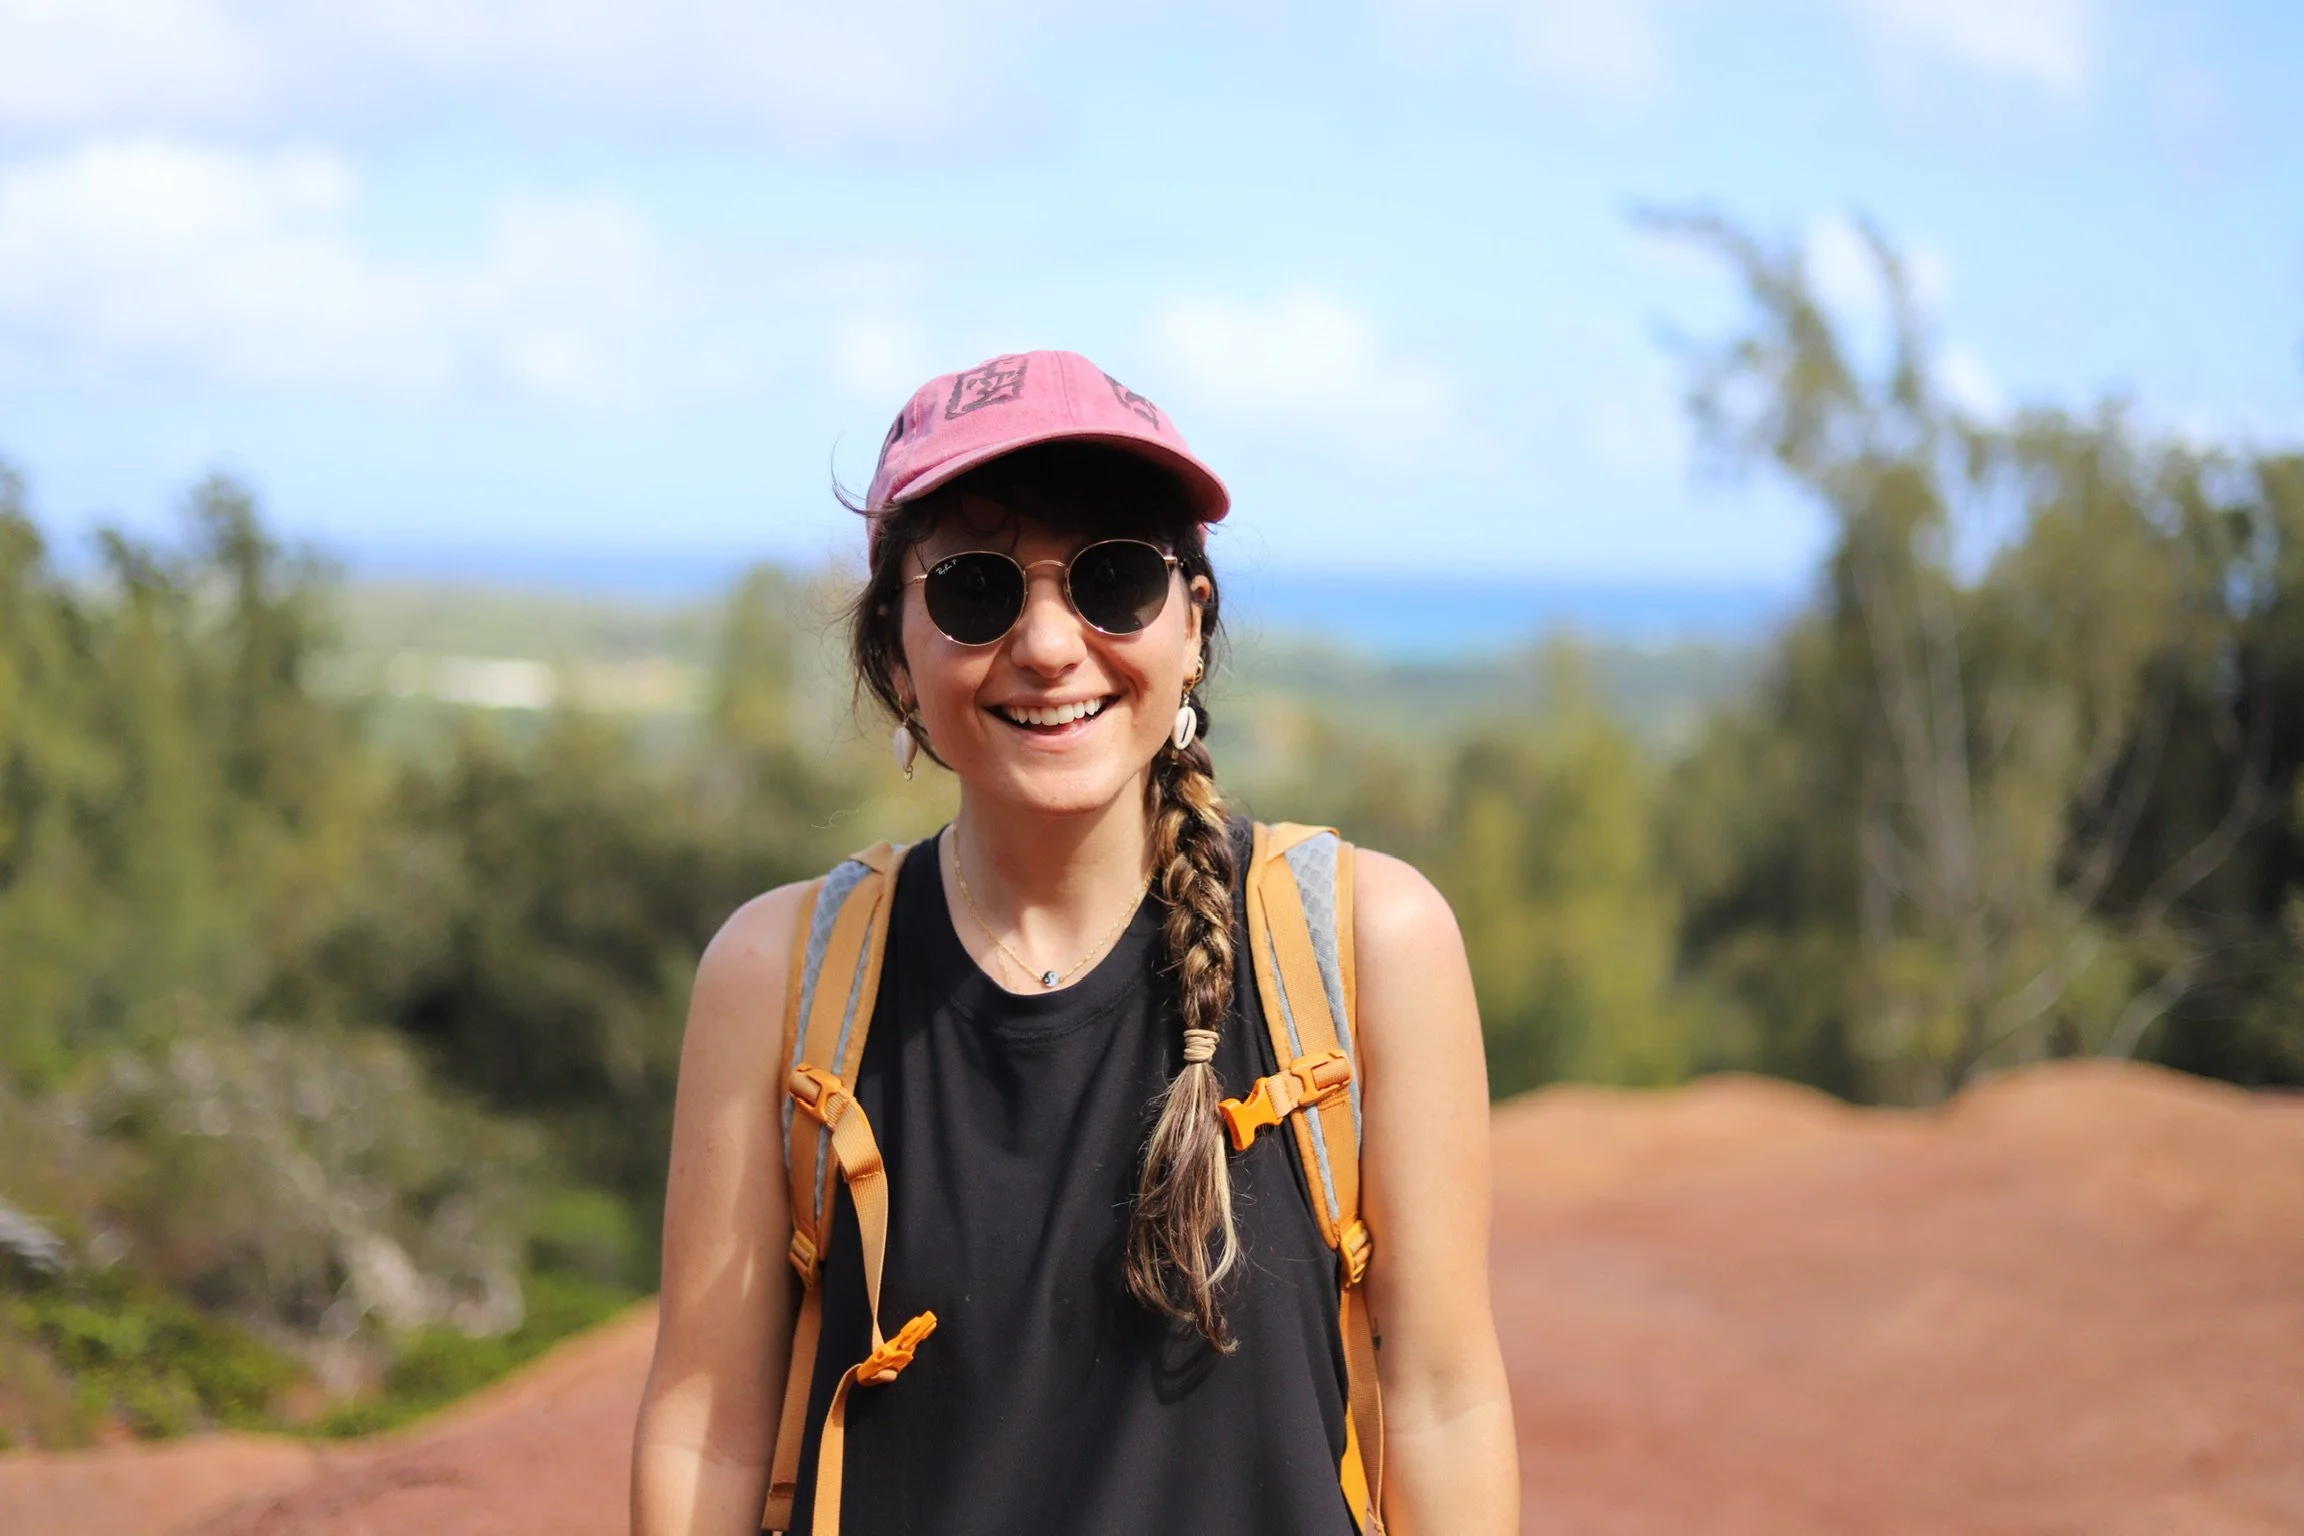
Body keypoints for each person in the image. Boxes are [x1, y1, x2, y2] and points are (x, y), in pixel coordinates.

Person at [631, 350, 1517, 1535]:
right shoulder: (778, 975)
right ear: (895, 653)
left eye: (1113, 577)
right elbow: (706, 1427)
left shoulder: (1363, 943)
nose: (1050, 646)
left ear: (1192, 625)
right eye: (975, 590)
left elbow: (1443, 1402)